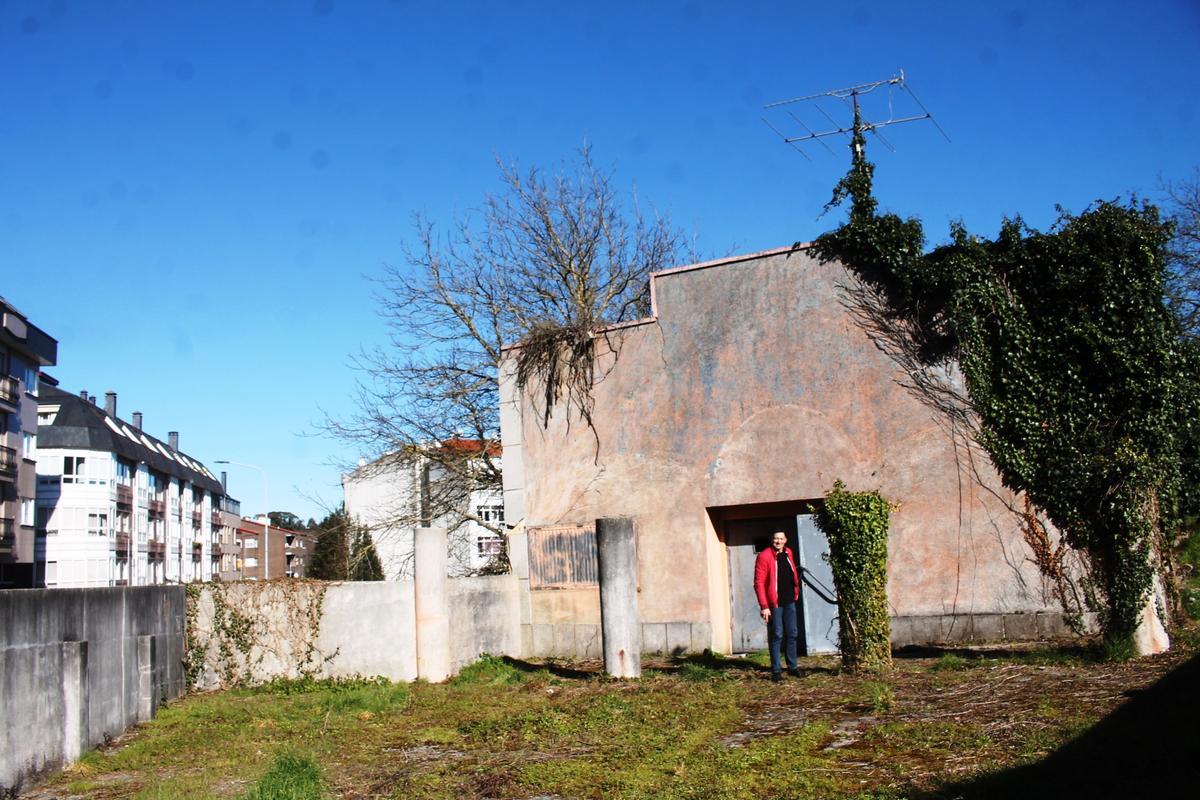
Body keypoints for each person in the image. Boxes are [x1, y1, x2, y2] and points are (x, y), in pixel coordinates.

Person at [753, 530, 801, 681]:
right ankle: (776, 671)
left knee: (792, 633)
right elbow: (759, 583)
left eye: (781, 539)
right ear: (772, 540)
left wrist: (796, 591)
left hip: (789, 600)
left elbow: (792, 574)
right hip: (774, 603)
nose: (778, 541)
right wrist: (764, 606)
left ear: (785, 540)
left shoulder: (788, 552)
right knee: (777, 635)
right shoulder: (764, 556)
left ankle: (792, 667)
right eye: (776, 539)